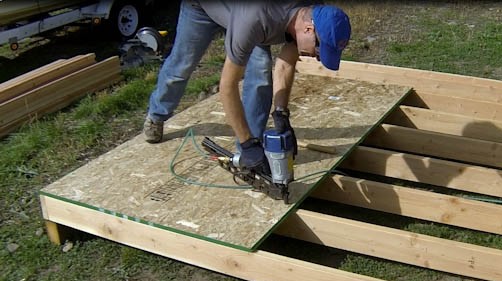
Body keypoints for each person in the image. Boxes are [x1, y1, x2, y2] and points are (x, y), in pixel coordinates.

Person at [143, 1, 351, 170]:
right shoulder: (255, 19)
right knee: (183, 65)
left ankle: (251, 152)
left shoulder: (315, 12)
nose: (316, 56)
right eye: (319, 50)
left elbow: (285, 65)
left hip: (251, 15)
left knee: (260, 73)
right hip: (202, 8)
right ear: (308, 29)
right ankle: (157, 114)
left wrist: (281, 113)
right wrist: (246, 143)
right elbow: (227, 87)